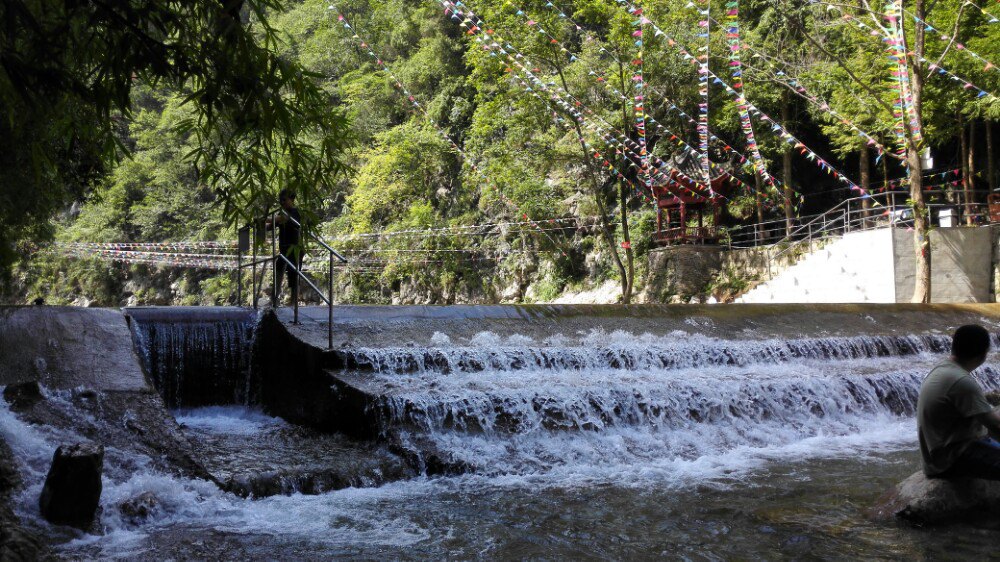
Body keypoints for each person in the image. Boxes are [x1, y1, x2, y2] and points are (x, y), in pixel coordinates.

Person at [917, 324, 1000, 480]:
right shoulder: (961, 382)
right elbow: (995, 425)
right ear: (983, 354)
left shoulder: (944, 368)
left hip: (943, 452)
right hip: (951, 460)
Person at [265, 189, 302, 305]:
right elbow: (271, 226)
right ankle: (274, 300)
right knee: (278, 270)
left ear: (292, 199)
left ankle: (294, 302)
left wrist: (266, 219)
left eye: (284, 200)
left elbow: (280, 219)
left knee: (293, 275)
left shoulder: (295, 212)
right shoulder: (282, 214)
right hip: (284, 250)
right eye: (281, 200)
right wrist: (262, 224)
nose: (282, 202)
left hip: (295, 249)